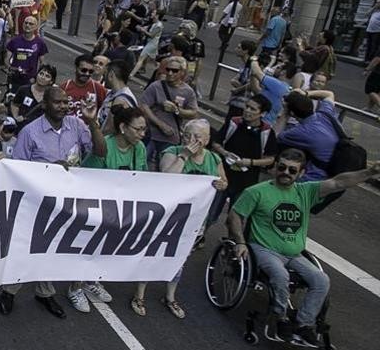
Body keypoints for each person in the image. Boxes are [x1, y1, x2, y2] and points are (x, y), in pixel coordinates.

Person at [228, 150, 380, 346]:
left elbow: (338, 182)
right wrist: (240, 242)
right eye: (281, 167)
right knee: (280, 275)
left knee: (321, 280)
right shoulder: (256, 192)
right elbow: (234, 217)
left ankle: (303, 324)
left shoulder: (305, 191)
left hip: (294, 254)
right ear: (275, 167)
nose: (286, 172)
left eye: (292, 170)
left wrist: (369, 172)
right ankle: (280, 317)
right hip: (264, 249)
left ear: (300, 173)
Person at [0, 86, 105, 318]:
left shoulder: (76, 126)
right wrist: (49, 171)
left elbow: (100, 151)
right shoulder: (29, 133)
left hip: (67, 203)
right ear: (45, 105)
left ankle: (44, 293)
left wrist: (93, 122)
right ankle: (9, 291)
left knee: (53, 248)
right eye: (57, 102)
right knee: (25, 247)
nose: (63, 106)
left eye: (66, 102)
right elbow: (18, 171)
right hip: (37, 203)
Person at [132, 118, 227, 318]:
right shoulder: (172, 153)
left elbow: (223, 181)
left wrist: (222, 185)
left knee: (180, 258)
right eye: (187, 135)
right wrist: (184, 155)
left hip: (194, 221)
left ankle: (170, 296)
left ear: (207, 139)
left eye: (197, 137)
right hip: (168, 217)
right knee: (153, 252)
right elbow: (168, 178)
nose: (191, 140)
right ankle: (139, 294)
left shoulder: (214, 159)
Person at [209, 93, 277, 229]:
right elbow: (216, 143)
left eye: (253, 109)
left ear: (262, 113)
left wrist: (249, 162)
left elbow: (270, 159)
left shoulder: (267, 132)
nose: (247, 111)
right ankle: (200, 237)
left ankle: (233, 242)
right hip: (223, 175)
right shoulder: (234, 123)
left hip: (246, 182)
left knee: (235, 218)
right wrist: (225, 153)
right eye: (247, 106)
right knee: (211, 212)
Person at [139, 55, 199, 167]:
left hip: (171, 138)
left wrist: (177, 110)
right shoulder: (156, 86)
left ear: (182, 72)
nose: (170, 73)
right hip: (151, 135)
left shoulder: (188, 91)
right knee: (142, 165)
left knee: (165, 168)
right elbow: (143, 105)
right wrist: (160, 124)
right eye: (168, 69)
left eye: (174, 70)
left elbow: (194, 113)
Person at [275, 89, 339, 182]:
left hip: (316, 177)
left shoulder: (300, 132)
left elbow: (275, 135)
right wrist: (306, 93)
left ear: (292, 113)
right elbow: (329, 94)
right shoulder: (324, 114)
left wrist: (285, 112)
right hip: (335, 173)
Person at [83, 105, 147, 171]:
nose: (143, 134)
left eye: (144, 129)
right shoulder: (104, 145)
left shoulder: (140, 147)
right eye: (137, 129)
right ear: (122, 127)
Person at [5, 16, 48, 90]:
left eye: (31, 24)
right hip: (14, 79)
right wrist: (9, 70)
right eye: (26, 23)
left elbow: (42, 63)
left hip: (30, 80)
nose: (27, 25)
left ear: (36, 27)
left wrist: (35, 78)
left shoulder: (40, 43)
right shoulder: (14, 41)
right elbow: (6, 59)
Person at [60, 54, 108, 120]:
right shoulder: (64, 87)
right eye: (84, 70)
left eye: (90, 71)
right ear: (76, 68)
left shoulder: (98, 89)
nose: (87, 74)